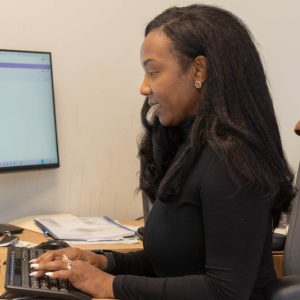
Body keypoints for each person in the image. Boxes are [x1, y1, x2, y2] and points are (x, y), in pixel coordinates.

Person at [29, 4, 295, 300]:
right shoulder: (192, 149)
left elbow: (225, 291)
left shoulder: (233, 161)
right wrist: (104, 262)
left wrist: (108, 285)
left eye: (153, 72)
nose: (144, 87)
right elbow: (174, 266)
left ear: (199, 70)